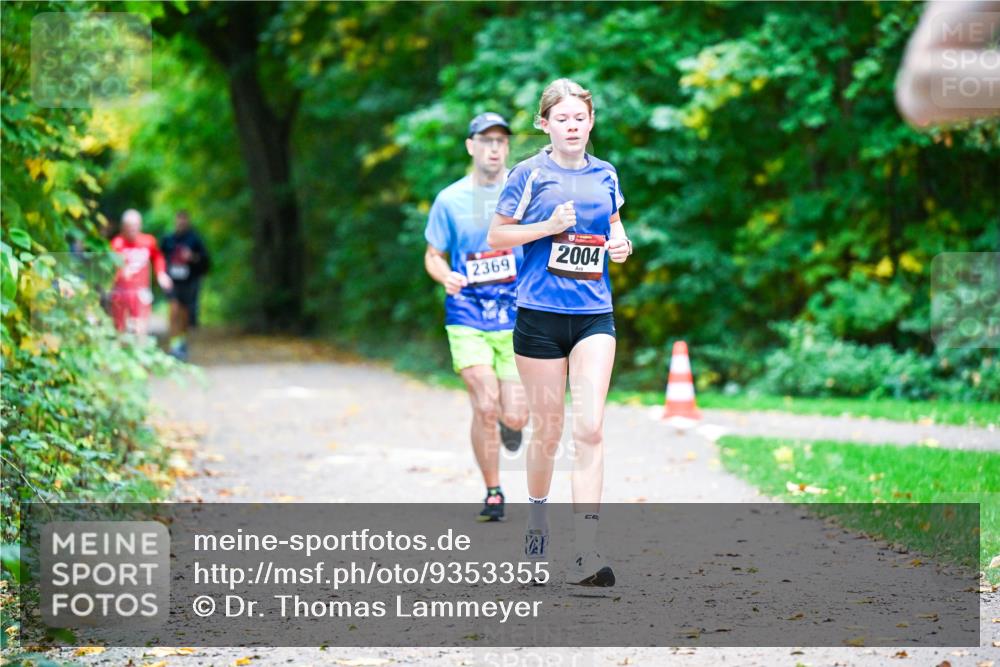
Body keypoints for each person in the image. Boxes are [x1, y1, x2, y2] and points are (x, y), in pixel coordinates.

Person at [487, 79, 632, 586]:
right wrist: (545, 227)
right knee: (549, 432)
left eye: (580, 118)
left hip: (594, 315)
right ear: (544, 123)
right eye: (562, 119)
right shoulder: (528, 174)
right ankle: (537, 524)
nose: (573, 127)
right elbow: (497, 234)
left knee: (590, 427)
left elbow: (613, 226)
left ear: (591, 122)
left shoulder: (607, 173)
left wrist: (621, 244)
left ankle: (587, 553)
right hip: (539, 317)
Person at [424, 112, 529, 522]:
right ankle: (494, 492)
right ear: (471, 146)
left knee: (515, 413)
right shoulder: (449, 200)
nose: (493, 148)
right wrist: (444, 273)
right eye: (485, 141)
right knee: (484, 404)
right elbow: (433, 254)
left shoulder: (523, 195)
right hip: (467, 313)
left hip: (518, 315)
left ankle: (512, 423)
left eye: (500, 141)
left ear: (506, 148)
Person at [109, 209, 172, 338]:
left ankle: (140, 350)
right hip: (122, 292)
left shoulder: (148, 241)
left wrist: (161, 274)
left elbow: (157, 257)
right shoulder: (116, 244)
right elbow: (109, 267)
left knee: (140, 327)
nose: (132, 229)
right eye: (129, 226)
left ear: (140, 225)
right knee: (120, 328)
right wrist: (120, 272)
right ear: (123, 227)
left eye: (135, 226)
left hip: (141, 291)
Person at [160, 210, 211, 360]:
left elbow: (205, 260)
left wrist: (192, 257)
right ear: (175, 221)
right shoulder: (168, 239)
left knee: (184, 314)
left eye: (184, 220)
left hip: (189, 282)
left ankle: (181, 343)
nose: (181, 223)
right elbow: (160, 258)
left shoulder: (194, 239)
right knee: (174, 310)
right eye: (179, 220)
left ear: (187, 222)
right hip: (172, 282)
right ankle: (173, 345)